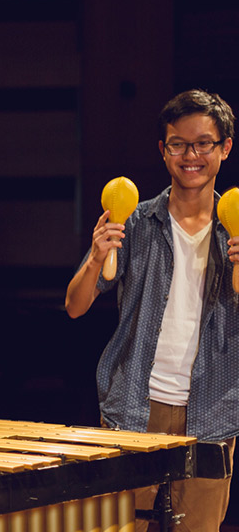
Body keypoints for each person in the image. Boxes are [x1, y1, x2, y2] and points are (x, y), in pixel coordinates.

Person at [65, 89, 238, 531]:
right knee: (119, 526)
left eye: (203, 144)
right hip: (133, 404)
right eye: (179, 144)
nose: (191, 156)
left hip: (213, 409)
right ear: (163, 150)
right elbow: (75, 306)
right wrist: (95, 255)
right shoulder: (136, 222)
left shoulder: (235, 229)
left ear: (224, 148)